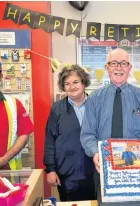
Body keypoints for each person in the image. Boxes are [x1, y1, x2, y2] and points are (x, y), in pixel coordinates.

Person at [80, 48, 140, 194]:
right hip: (105, 167)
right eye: (114, 63)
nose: (119, 68)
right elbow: (87, 135)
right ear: (106, 67)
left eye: (123, 63)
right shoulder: (94, 98)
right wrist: (95, 153)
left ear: (129, 67)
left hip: (137, 169)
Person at [43, 64, 95, 201]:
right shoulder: (57, 109)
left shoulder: (96, 106)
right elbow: (50, 141)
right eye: (67, 84)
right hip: (67, 173)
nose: (72, 87)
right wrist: (50, 170)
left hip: (94, 172)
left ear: (84, 83)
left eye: (76, 82)